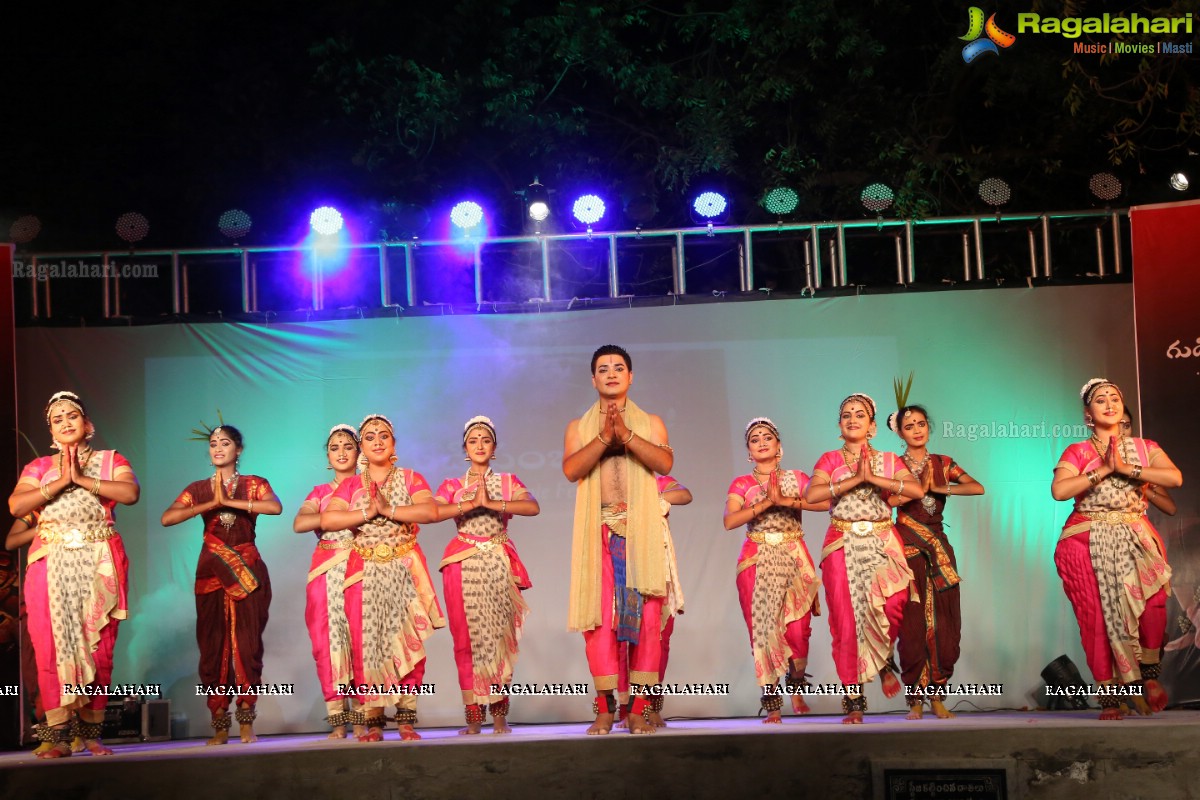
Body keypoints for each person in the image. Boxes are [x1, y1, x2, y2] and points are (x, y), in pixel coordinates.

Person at [8, 391, 140, 758]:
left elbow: (130, 493)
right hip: (50, 563)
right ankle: (59, 734)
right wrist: (60, 481)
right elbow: (17, 504)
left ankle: (91, 733)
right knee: (50, 647)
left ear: (87, 425)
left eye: (73, 416)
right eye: (57, 419)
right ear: (51, 430)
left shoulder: (111, 459)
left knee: (100, 650)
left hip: (99, 562)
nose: (66, 422)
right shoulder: (37, 468)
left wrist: (82, 480)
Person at [1051, 378, 1182, 719]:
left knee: (1153, 605)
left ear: (1123, 409)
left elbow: (1174, 478)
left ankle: (1148, 677)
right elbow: (1060, 491)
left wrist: (1128, 469)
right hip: (1086, 538)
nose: (1109, 404)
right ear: (1088, 415)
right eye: (1099, 400)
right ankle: (1110, 696)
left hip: (1135, 534)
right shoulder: (1077, 451)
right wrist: (1104, 470)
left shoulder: (1144, 447)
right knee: (1096, 617)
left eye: (1114, 398)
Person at [563, 344, 673, 735]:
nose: (611, 373)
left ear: (631, 377)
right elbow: (572, 470)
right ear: (593, 379)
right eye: (603, 368)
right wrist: (604, 439)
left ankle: (640, 708)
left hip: (642, 532)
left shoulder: (652, 423)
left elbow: (664, 463)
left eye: (619, 367)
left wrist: (626, 436)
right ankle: (607, 709)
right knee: (600, 624)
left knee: (646, 623)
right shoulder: (578, 427)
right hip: (601, 533)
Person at [320, 414, 443, 742]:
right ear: (363, 445)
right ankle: (373, 721)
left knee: (409, 643)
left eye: (384, 436)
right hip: (364, 574)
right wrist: (365, 513)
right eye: (370, 436)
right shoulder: (350, 485)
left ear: (393, 444)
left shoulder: (411, 477)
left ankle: (406, 720)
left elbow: (429, 512)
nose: (377, 441)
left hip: (404, 570)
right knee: (367, 646)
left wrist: (388, 510)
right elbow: (329, 518)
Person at [805, 393, 923, 723]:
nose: (852, 419)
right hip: (842, 541)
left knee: (895, 603)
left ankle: (884, 659)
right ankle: (854, 702)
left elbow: (914, 491)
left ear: (872, 426)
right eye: (846, 415)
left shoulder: (887, 460)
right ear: (840, 426)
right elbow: (812, 494)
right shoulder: (829, 459)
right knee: (845, 620)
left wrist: (873, 478)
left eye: (860, 415)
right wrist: (855, 479)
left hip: (882, 539)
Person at [161, 424, 282, 745]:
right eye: (213, 443)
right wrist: (210, 504)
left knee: (247, 644)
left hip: (247, 569)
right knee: (212, 646)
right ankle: (218, 723)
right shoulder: (198, 489)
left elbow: (275, 507)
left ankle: (246, 722)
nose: (217, 448)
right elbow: (168, 517)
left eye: (225, 443)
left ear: (238, 450)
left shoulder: (254, 484)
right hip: (212, 570)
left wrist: (231, 502)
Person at [430, 416, 539, 735]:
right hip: (461, 563)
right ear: (465, 448)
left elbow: (532, 506)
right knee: (465, 641)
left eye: (485, 440)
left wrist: (491, 502)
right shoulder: (452, 485)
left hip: (497, 563)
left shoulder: (507, 481)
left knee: (500, 641)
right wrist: (465, 505)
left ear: (494, 448)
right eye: (473, 440)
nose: (479, 445)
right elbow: (433, 512)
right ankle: (474, 719)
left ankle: (500, 716)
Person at [724, 418, 827, 723]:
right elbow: (730, 520)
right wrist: (766, 503)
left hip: (794, 555)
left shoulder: (797, 477)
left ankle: (795, 684)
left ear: (779, 446)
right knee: (763, 632)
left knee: (798, 631)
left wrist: (787, 500)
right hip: (756, 558)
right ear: (749, 452)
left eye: (767, 437)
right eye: (754, 439)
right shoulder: (741, 484)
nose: (762, 442)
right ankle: (772, 704)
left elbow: (825, 503)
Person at [885, 404, 984, 720]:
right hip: (906, 547)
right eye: (909, 425)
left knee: (945, 624)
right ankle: (914, 699)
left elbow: (976, 486)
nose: (917, 429)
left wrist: (940, 487)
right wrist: (914, 491)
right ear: (899, 432)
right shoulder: (894, 465)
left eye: (921, 423)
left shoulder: (943, 463)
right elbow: (885, 501)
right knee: (912, 626)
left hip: (938, 546)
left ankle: (938, 696)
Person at [292, 424, 361, 739]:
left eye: (348, 446)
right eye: (335, 447)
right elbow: (300, 522)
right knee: (327, 644)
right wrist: (336, 517)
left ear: (359, 452)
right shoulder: (319, 493)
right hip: (327, 571)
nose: (342, 452)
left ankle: (363, 715)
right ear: (328, 457)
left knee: (364, 642)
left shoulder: (368, 488)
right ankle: (337, 718)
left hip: (362, 566)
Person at [616, 474, 690, 728]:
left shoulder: (658, 481)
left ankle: (650, 704)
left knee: (659, 637)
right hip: (622, 568)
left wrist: (646, 499)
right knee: (624, 638)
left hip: (657, 570)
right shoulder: (614, 481)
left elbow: (683, 495)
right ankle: (627, 709)